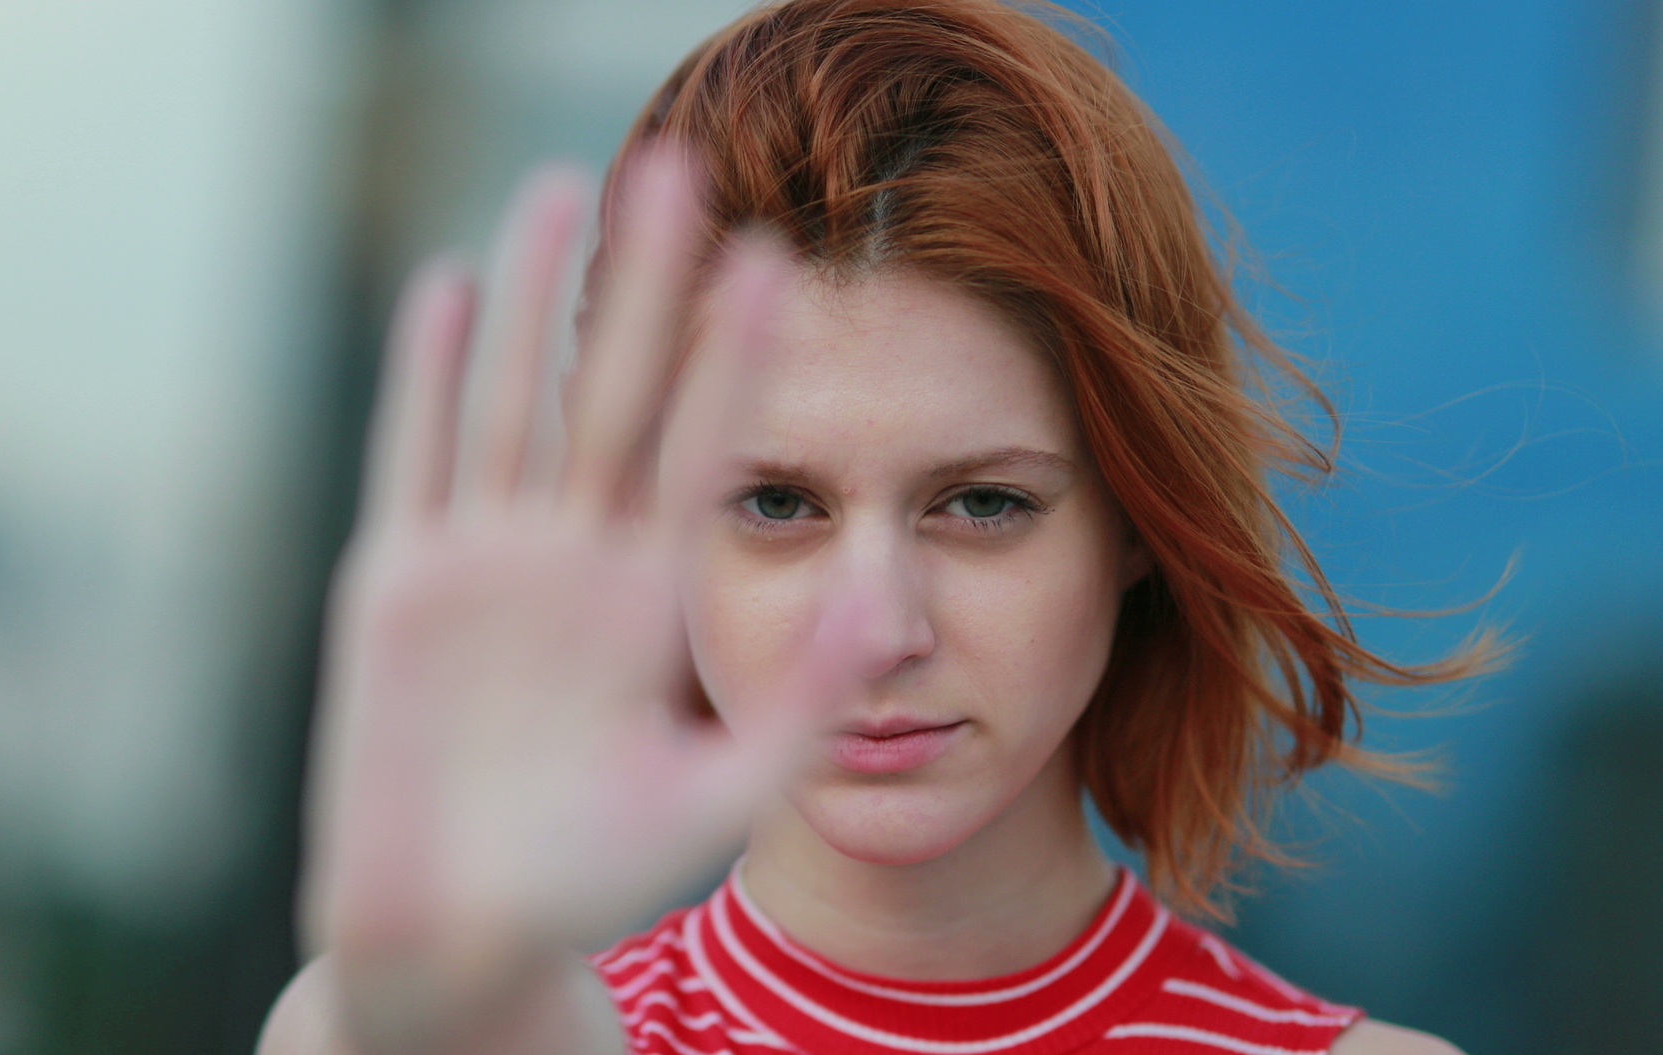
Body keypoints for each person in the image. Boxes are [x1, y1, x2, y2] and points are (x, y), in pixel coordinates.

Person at [260, 1, 1496, 1052]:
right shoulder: (432, 1028)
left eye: (981, 504)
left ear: (1132, 518)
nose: (873, 629)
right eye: (777, 503)